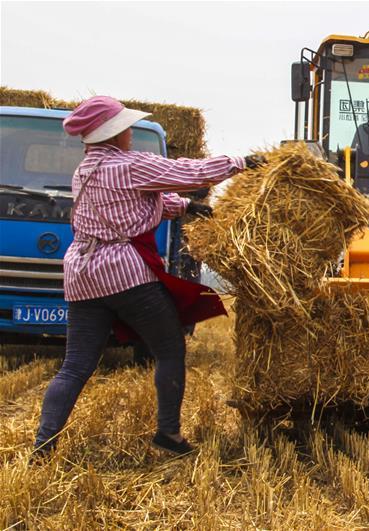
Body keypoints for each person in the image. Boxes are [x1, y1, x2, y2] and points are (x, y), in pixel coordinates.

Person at [33, 95, 264, 458]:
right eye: (124, 127)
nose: (129, 133)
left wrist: (186, 207)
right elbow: (191, 173)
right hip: (124, 273)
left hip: (81, 273)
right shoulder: (129, 165)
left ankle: (43, 445)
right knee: (170, 347)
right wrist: (240, 162)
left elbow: (131, 202)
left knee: (75, 365)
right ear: (113, 134)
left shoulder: (85, 171)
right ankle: (168, 435)